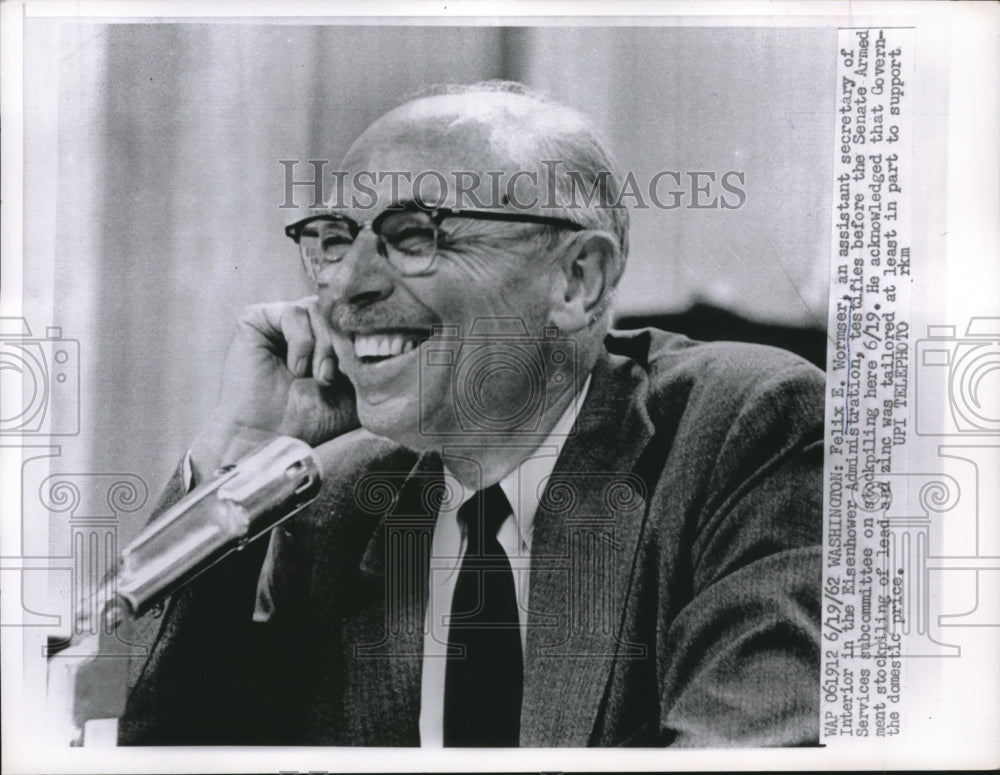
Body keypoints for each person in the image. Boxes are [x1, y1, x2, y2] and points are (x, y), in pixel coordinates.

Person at [117, 82, 824, 747]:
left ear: (578, 280)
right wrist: (239, 460)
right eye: (334, 239)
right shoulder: (333, 500)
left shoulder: (744, 427)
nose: (348, 286)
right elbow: (164, 745)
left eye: (415, 235)